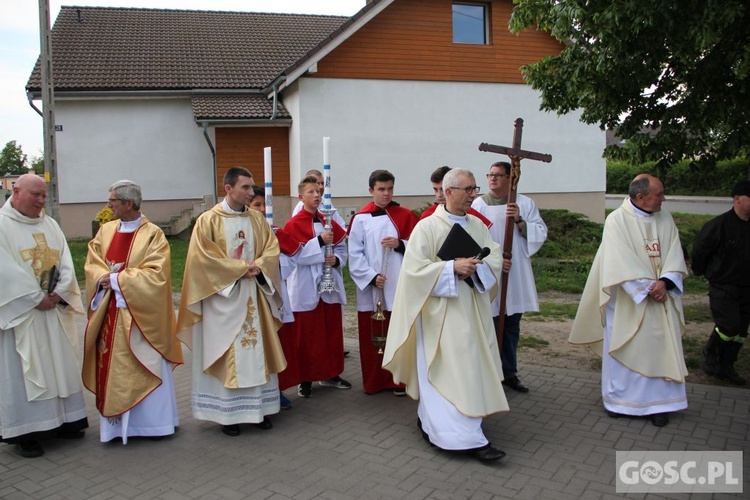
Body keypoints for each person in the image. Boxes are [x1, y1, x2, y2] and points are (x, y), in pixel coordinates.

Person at [383, 168, 508, 462]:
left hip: (472, 309)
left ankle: (452, 426)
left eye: (474, 189)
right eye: (467, 189)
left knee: (469, 369)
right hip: (439, 316)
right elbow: (412, 273)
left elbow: (493, 256)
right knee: (445, 370)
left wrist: (477, 268)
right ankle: (457, 436)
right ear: (449, 192)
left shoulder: (478, 226)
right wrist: (451, 268)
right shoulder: (427, 227)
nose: (473, 195)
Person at [569, 174, 688, 427]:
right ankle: (621, 402)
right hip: (628, 301)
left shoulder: (665, 218)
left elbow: (675, 253)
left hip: (661, 297)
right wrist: (647, 287)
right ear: (640, 196)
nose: (663, 199)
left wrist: (665, 282)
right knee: (629, 345)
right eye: (659, 194)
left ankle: (660, 405)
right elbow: (617, 261)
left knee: (660, 349)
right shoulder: (616, 221)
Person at [176, 166, 286, 437]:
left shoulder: (257, 220)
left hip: (253, 296)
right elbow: (202, 261)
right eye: (246, 187)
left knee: (256, 354)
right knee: (227, 355)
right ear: (228, 189)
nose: (251, 192)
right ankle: (228, 415)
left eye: (252, 187)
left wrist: (259, 267)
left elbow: (271, 250)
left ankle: (258, 411)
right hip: (223, 302)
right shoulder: (208, 221)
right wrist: (238, 269)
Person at [83, 180, 184, 443]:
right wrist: (103, 277)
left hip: (141, 320)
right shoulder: (105, 231)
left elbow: (157, 274)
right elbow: (92, 264)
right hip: (110, 313)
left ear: (129, 203)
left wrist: (117, 280)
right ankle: (116, 428)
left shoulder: (153, 234)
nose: (109, 205)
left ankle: (153, 426)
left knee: (146, 364)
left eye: (113, 200)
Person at [0, 174, 88, 458]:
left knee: (59, 365)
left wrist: (59, 292)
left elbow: (65, 261)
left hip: (52, 311)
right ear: (16, 191)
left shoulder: (49, 224)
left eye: (44, 196)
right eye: (35, 195)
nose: (41, 201)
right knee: (26, 370)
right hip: (23, 314)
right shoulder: (2, 225)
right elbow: (4, 271)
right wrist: (35, 297)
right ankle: (26, 432)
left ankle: (65, 421)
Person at [471, 161, 547, 393]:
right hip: (489, 271)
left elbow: (540, 232)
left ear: (510, 179)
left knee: (511, 323)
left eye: (498, 175)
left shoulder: (524, 203)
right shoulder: (478, 205)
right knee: (490, 323)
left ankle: (509, 372)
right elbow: (472, 236)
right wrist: (491, 261)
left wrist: (520, 221)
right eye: (490, 174)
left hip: (515, 272)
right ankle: (490, 372)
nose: (492, 179)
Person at [348, 170, 418, 395]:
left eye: (389, 188)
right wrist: (370, 277)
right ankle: (374, 382)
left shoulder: (405, 215)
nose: (386, 193)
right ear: (371, 191)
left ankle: (398, 381)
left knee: (397, 334)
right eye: (381, 189)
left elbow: (419, 248)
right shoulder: (360, 219)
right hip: (372, 289)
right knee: (373, 337)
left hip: (398, 285)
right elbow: (354, 253)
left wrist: (400, 244)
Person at [282, 176, 350, 398]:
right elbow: (296, 256)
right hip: (305, 285)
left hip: (328, 287)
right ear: (301, 197)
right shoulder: (293, 224)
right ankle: (306, 378)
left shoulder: (328, 221)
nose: (316, 195)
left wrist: (336, 260)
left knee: (329, 333)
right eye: (311, 192)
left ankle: (330, 373)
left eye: (318, 191)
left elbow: (341, 247)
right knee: (307, 335)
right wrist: (320, 242)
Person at [691, 180, 750, 385]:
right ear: (737, 199)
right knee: (728, 326)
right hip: (723, 286)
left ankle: (727, 366)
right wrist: (704, 273)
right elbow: (700, 252)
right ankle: (710, 355)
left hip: (746, 288)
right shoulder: (719, 226)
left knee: (741, 331)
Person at [248, 185, 298, 409]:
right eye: (256, 205)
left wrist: (275, 258)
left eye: (263, 205)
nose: (260, 209)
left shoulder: (275, 231)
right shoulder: (243, 231)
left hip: (275, 293)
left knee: (277, 341)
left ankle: (275, 390)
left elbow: (294, 260)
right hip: (250, 297)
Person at [421, 165, 492, 228]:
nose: (439, 195)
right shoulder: (427, 219)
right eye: (436, 190)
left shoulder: (475, 219)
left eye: (442, 189)